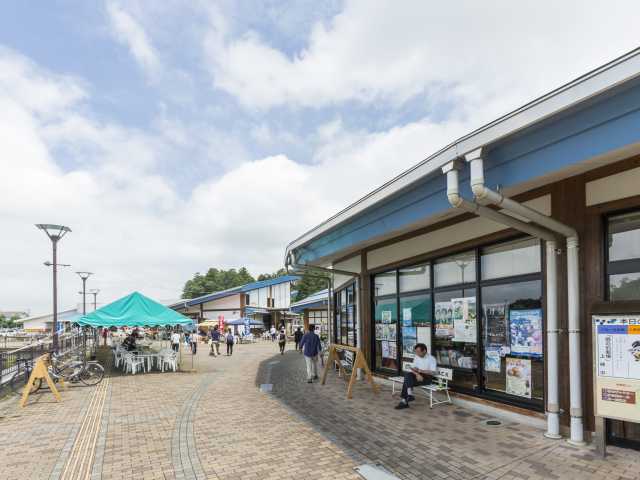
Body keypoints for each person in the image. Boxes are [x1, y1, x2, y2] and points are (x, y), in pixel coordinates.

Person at [394, 343, 437, 410]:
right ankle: (409, 395)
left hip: (427, 377)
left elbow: (433, 372)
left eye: (418, 352)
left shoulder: (431, 359)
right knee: (408, 375)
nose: (417, 354)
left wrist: (420, 371)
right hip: (417, 375)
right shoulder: (417, 357)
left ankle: (405, 400)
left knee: (406, 380)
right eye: (416, 352)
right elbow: (412, 368)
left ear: (424, 351)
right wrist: (417, 374)